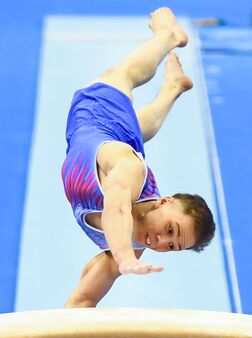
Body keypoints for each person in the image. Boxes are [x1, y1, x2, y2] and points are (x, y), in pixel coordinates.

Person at [61, 7, 216, 308]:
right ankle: (167, 36)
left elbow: (84, 298)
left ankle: (172, 88)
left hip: (113, 141)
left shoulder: (134, 244)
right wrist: (125, 259)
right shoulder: (130, 171)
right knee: (121, 77)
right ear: (164, 201)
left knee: (136, 130)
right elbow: (116, 208)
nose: (159, 242)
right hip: (96, 118)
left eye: (172, 246)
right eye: (169, 230)